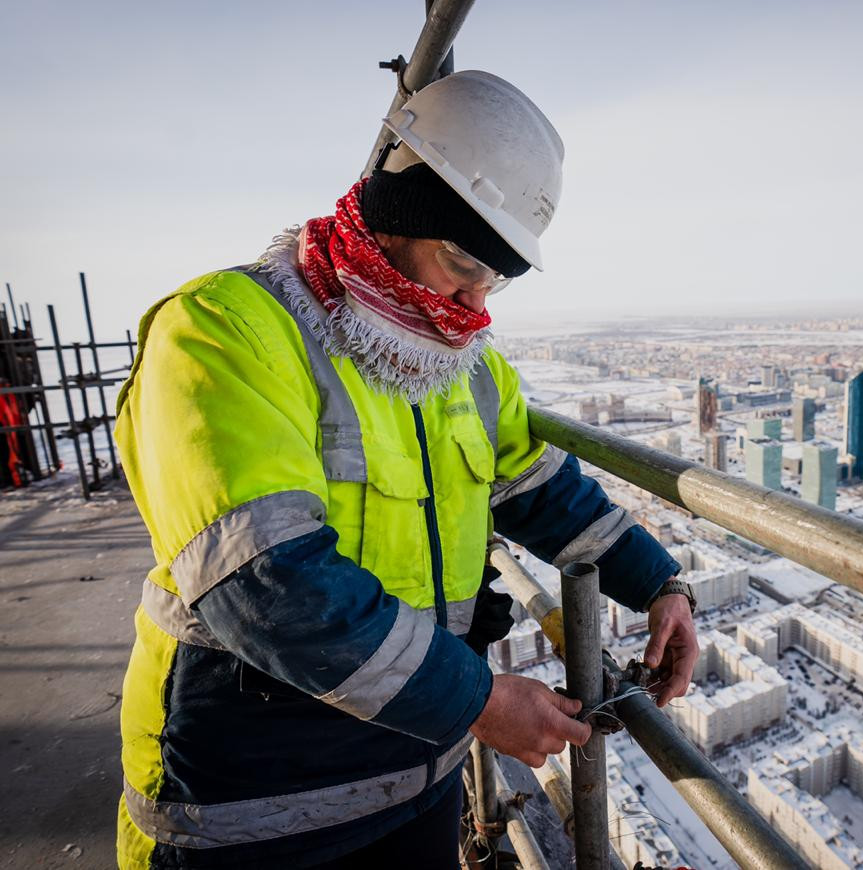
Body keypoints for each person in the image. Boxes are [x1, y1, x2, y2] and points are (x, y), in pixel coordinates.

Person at [114, 70, 699, 869]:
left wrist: (660, 584)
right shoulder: (226, 331)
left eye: (497, 277)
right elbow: (266, 585)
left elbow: (543, 493)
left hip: (420, 779)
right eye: (461, 258)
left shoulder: (465, 369)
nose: (474, 298)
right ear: (397, 209)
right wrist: (478, 701)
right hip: (253, 807)